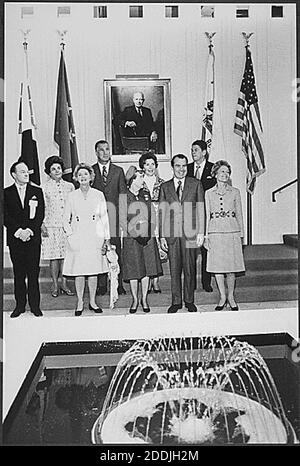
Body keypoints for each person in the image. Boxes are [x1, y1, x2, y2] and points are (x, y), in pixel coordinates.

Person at [63, 163, 111, 316]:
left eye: (86, 174)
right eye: (80, 174)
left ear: (91, 177)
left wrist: (106, 238)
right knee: (79, 271)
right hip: (77, 237)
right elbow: (65, 219)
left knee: (93, 271)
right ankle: (79, 302)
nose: (83, 177)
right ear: (76, 178)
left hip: (94, 236)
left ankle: (92, 301)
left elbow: (104, 218)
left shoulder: (98, 194)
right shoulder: (72, 195)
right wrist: (71, 235)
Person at [159, 154, 205, 313]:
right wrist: (162, 236)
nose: (181, 169)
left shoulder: (196, 184)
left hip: (190, 233)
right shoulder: (165, 187)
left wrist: (201, 232)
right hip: (172, 234)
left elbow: (200, 209)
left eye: (184, 166)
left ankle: (189, 300)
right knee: (175, 269)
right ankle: (176, 301)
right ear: (172, 167)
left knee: (190, 268)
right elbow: (162, 213)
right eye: (178, 166)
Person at [4, 161, 45, 317]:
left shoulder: (37, 191)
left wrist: (29, 231)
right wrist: (18, 231)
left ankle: (35, 306)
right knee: (19, 273)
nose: (26, 174)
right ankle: (20, 306)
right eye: (22, 171)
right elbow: (5, 216)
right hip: (15, 239)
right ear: (14, 175)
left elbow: (40, 214)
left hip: (33, 238)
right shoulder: (6, 192)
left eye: (27, 171)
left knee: (33, 273)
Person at [120, 166, 163, 314]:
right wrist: (136, 235)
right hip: (132, 239)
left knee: (146, 269)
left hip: (147, 238)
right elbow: (122, 220)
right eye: (140, 177)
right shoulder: (124, 196)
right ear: (132, 180)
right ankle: (135, 300)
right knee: (134, 270)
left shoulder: (146, 194)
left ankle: (144, 299)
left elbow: (152, 215)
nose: (143, 180)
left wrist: (149, 232)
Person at [204, 160, 245, 311]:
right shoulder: (208, 193)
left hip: (232, 232)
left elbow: (239, 214)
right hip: (215, 232)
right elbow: (206, 215)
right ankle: (222, 296)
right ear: (215, 174)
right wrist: (206, 237)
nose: (225, 174)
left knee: (231, 267)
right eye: (222, 171)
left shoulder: (235, 192)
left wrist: (242, 235)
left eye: (227, 172)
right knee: (218, 267)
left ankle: (231, 296)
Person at [92, 140, 127, 296]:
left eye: (107, 149)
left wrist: (123, 218)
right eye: (101, 150)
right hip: (96, 219)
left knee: (115, 249)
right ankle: (101, 285)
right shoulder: (90, 171)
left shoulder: (118, 171)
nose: (105, 152)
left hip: (113, 217)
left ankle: (117, 283)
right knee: (99, 250)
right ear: (96, 152)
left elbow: (123, 196)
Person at [41, 155, 75, 298]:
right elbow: (41, 207)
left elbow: (74, 207)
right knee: (54, 257)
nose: (56, 171)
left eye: (59, 168)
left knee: (66, 256)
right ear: (49, 172)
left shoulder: (70, 186)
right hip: (50, 226)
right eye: (53, 169)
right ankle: (55, 284)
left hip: (66, 227)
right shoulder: (44, 187)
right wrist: (41, 224)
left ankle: (64, 283)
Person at [187, 139, 216, 292]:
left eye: (196, 150)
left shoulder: (213, 169)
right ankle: (191, 283)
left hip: (206, 216)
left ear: (204, 152)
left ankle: (206, 282)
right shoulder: (187, 168)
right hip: (190, 216)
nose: (193, 153)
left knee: (206, 250)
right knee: (191, 251)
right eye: (192, 150)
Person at [139, 151, 165, 294]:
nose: (150, 167)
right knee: (147, 248)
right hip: (144, 217)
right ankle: (147, 280)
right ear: (142, 166)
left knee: (158, 247)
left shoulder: (162, 182)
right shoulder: (138, 182)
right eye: (147, 164)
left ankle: (156, 281)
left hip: (158, 216)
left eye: (152, 164)